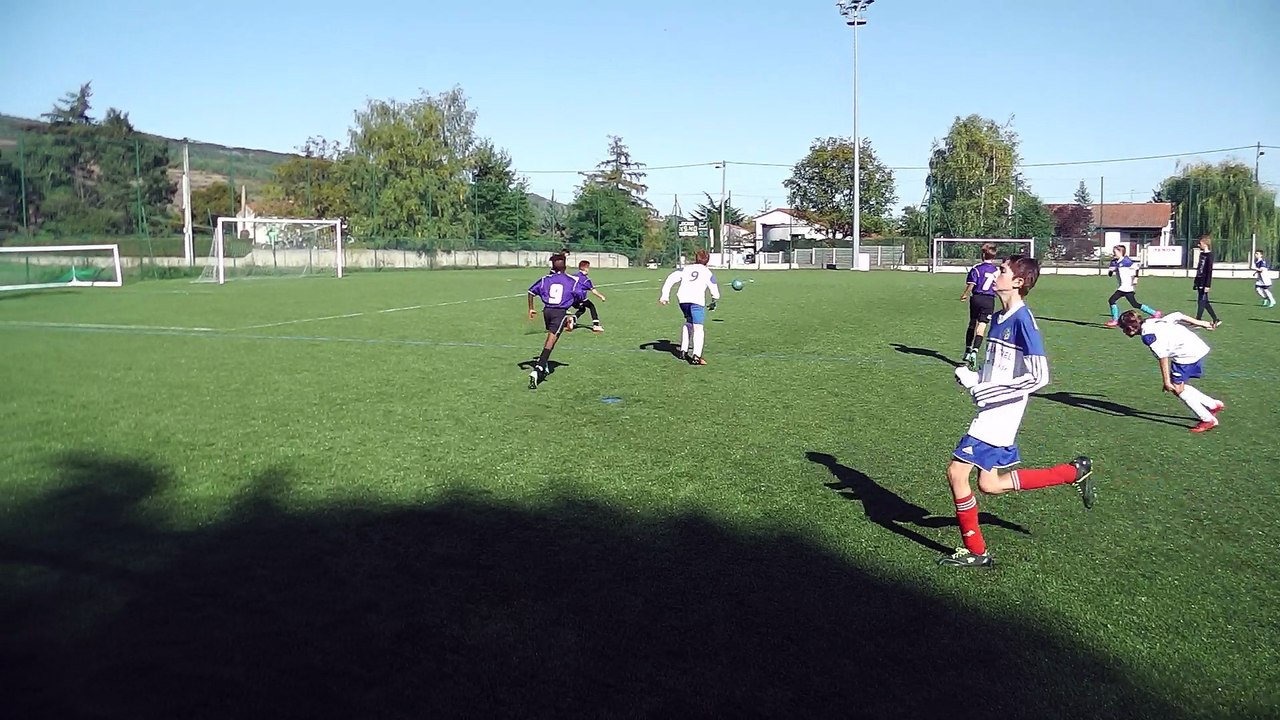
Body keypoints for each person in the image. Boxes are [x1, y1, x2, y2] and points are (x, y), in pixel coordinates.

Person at [942, 256, 1095, 569]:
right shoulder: (999, 317)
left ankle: (976, 550)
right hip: (992, 406)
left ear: (1018, 282)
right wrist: (974, 378)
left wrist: (984, 390)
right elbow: (997, 367)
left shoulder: (1024, 321)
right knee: (990, 485)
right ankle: (1073, 472)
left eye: (1002, 271)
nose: (996, 274)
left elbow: (1039, 377)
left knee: (957, 473)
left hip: (1001, 412)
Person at [1117, 309, 1224, 433]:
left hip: (1187, 354)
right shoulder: (1151, 321)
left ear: (1131, 327)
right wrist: (1203, 323)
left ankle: (1208, 419)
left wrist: (1166, 381)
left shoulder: (1148, 336)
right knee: (1179, 385)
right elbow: (1177, 315)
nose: (1124, 332)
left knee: (1176, 388)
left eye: (1123, 329)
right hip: (1195, 346)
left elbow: (1163, 357)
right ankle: (1214, 405)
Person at [526, 253, 586, 389]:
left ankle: (544, 362)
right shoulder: (572, 280)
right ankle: (538, 369)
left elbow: (530, 292)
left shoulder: (545, 279)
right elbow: (580, 296)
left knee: (550, 337)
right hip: (559, 313)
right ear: (565, 266)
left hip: (547, 311)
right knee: (551, 341)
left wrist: (531, 308)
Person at [659, 249, 720, 365]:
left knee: (688, 322)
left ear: (695, 259)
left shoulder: (686, 269)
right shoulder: (707, 272)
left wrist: (665, 296)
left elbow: (671, 278)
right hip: (696, 301)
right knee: (698, 328)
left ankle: (683, 350)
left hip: (683, 300)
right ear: (707, 260)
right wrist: (714, 300)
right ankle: (696, 356)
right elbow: (715, 290)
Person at [958, 243, 1000, 371]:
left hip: (976, 298)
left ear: (982, 255)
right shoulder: (997, 271)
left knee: (972, 323)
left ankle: (967, 350)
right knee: (982, 326)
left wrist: (964, 294)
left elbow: (971, 284)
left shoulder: (976, 268)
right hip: (989, 300)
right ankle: (974, 352)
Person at [1103, 245, 1161, 327]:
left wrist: (1136, 278)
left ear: (1120, 252)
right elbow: (1110, 273)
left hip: (1126, 287)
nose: (1113, 253)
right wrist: (1111, 271)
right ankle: (1154, 313)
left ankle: (1115, 320)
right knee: (1134, 304)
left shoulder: (1127, 261)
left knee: (1112, 300)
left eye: (1115, 252)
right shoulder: (1114, 262)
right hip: (1123, 287)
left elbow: (1137, 267)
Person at [571, 260, 608, 332]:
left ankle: (572, 320)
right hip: (580, 298)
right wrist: (601, 296)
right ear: (586, 268)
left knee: (582, 309)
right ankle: (596, 325)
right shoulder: (586, 280)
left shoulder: (573, 276)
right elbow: (593, 291)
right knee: (591, 306)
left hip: (571, 297)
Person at [1192, 235, 1221, 327]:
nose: (1198, 245)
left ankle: (1198, 320)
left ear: (1205, 244)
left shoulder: (1209, 256)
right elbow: (1199, 269)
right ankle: (1216, 319)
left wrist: (1207, 285)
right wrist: (1196, 282)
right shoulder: (1202, 254)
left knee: (1202, 301)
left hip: (1205, 282)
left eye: (1200, 243)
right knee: (1204, 302)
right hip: (1200, 281)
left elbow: (1209, 271)